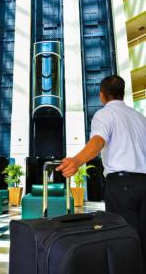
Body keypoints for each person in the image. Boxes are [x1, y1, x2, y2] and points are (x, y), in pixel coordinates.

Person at [56, 75, 146, 270]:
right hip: (144, 183)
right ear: (123, 94)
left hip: (122, 187)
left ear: (102, 95)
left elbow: (98, 141)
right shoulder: (140, 117)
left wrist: (77, 160)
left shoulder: (104, 114)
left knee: (124, 239)